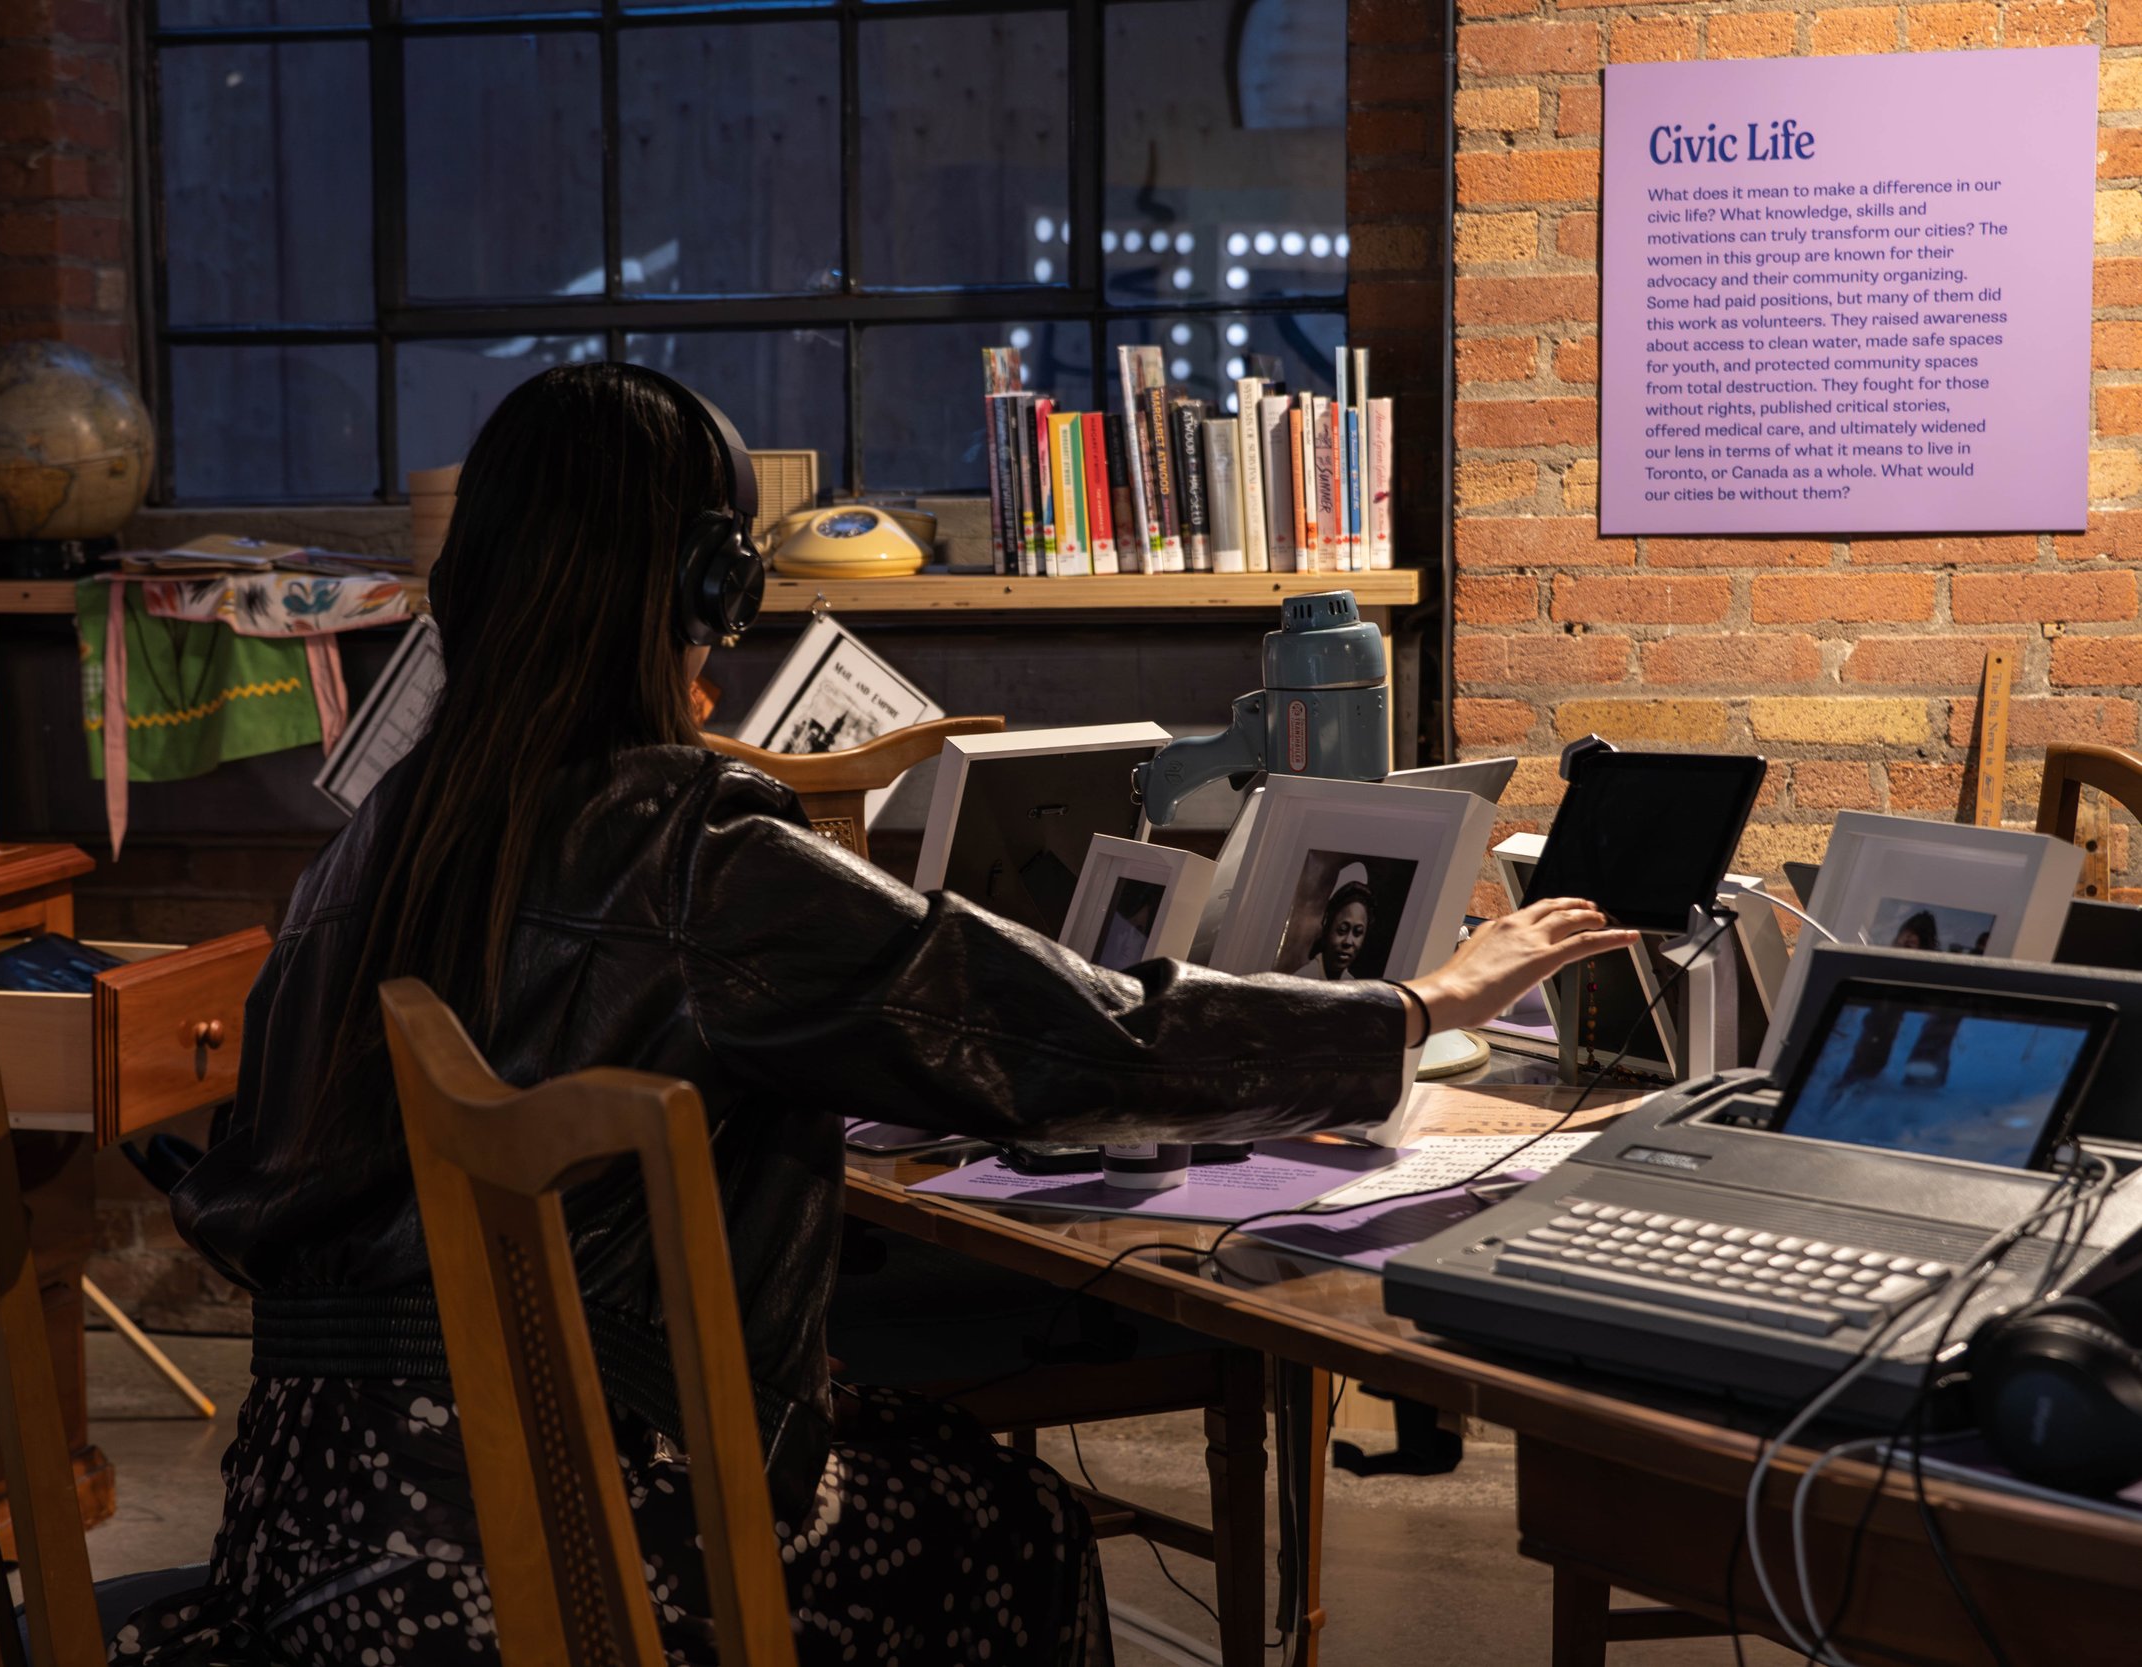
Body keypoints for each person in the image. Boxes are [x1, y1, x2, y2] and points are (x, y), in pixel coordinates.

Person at [116, 365, 1634, 1667]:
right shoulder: (694, 844)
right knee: (1012, 1528)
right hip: (573, 1561)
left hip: (305, 1539)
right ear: (708, 588)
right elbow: (1079, 1042)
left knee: (896, 1430)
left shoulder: (370, 845)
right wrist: (1406, 1008)